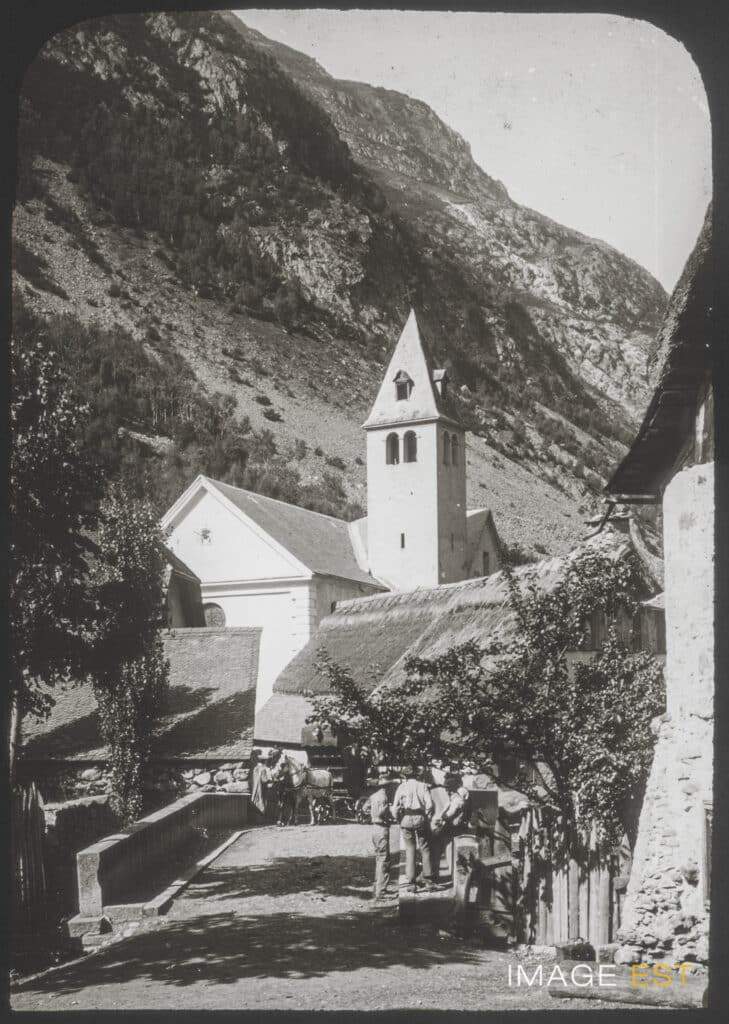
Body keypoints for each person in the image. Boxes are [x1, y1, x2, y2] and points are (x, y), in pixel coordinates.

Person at [392, 764, 435, 893]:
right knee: (425, 847)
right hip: (421, 818)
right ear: (417, 775)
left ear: (405, 775)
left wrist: (398, 819)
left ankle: (411, 882)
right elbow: (430, 804)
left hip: (406, 818)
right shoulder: (423, 786)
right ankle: (428, 879)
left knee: (410, 849)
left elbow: (395, 807)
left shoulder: (402, 787)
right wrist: (426, 816)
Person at [430, 772, 470, 882]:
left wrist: (441, 819)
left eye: (447, 788)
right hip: (452, 826)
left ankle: (434, 874)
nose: (446, 790)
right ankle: (449, 875)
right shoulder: (458, 794)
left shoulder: (456, 797)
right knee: (447, 849)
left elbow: (448, 813)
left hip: (450, 826)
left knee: (436, 847)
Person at [369, 766, 398, 902]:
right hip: (381, 827)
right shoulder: (384, 797)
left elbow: (365, 808)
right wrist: (390, 811)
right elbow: (381, 812)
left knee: (378, 859)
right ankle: (381, 891)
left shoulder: (374, 796)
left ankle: (377, 887)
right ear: (387, 786)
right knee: (384, 860)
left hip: (374, 828)